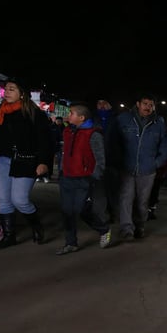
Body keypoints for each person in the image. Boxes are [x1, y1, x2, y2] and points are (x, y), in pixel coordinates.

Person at [0, 78, 53, 249]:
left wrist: (43, 162)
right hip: (3, 161)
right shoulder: (0, 113)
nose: (7, 92)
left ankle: (36, 225)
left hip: (26, 161)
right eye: (6, 89)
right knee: (4, 200)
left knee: (19, 199)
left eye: (12, 89)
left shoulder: (35, 114)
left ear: (22, 94)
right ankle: (8, 237)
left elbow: (45, 141)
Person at [107, 93, 167, 240]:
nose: (148, 107)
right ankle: (126, 229)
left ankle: (140, 225)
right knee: (126, 198)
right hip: (126, 168)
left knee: (142, 202)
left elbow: (165, 147)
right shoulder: (123, 120)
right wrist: (117, 160)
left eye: (151, 105)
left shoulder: (159, 123)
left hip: (148, 170)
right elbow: (113, 141)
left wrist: (156, 163)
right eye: (145, 103)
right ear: (138, 104)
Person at [56, 102, 111, 255]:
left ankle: (103, 229)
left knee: (81, 210)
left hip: (84, 179)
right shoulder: (68, 131)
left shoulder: (93, 134)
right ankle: (70, 243)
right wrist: (61, 171)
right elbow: (65, 153)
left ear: (81, 117)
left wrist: (93, 177)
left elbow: (100, 159)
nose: (68, 115)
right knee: (67, 211)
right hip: (67, 177)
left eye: (71, 113)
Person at [95, 99, 121, 223]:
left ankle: (112, 212)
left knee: (112, 189)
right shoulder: (93, 119)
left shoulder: (117, 119)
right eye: (99, 103)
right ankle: (101, 215)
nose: (102, 106)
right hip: (96, 160)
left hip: (113, 160)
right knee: (99, 190)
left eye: (105, 102)